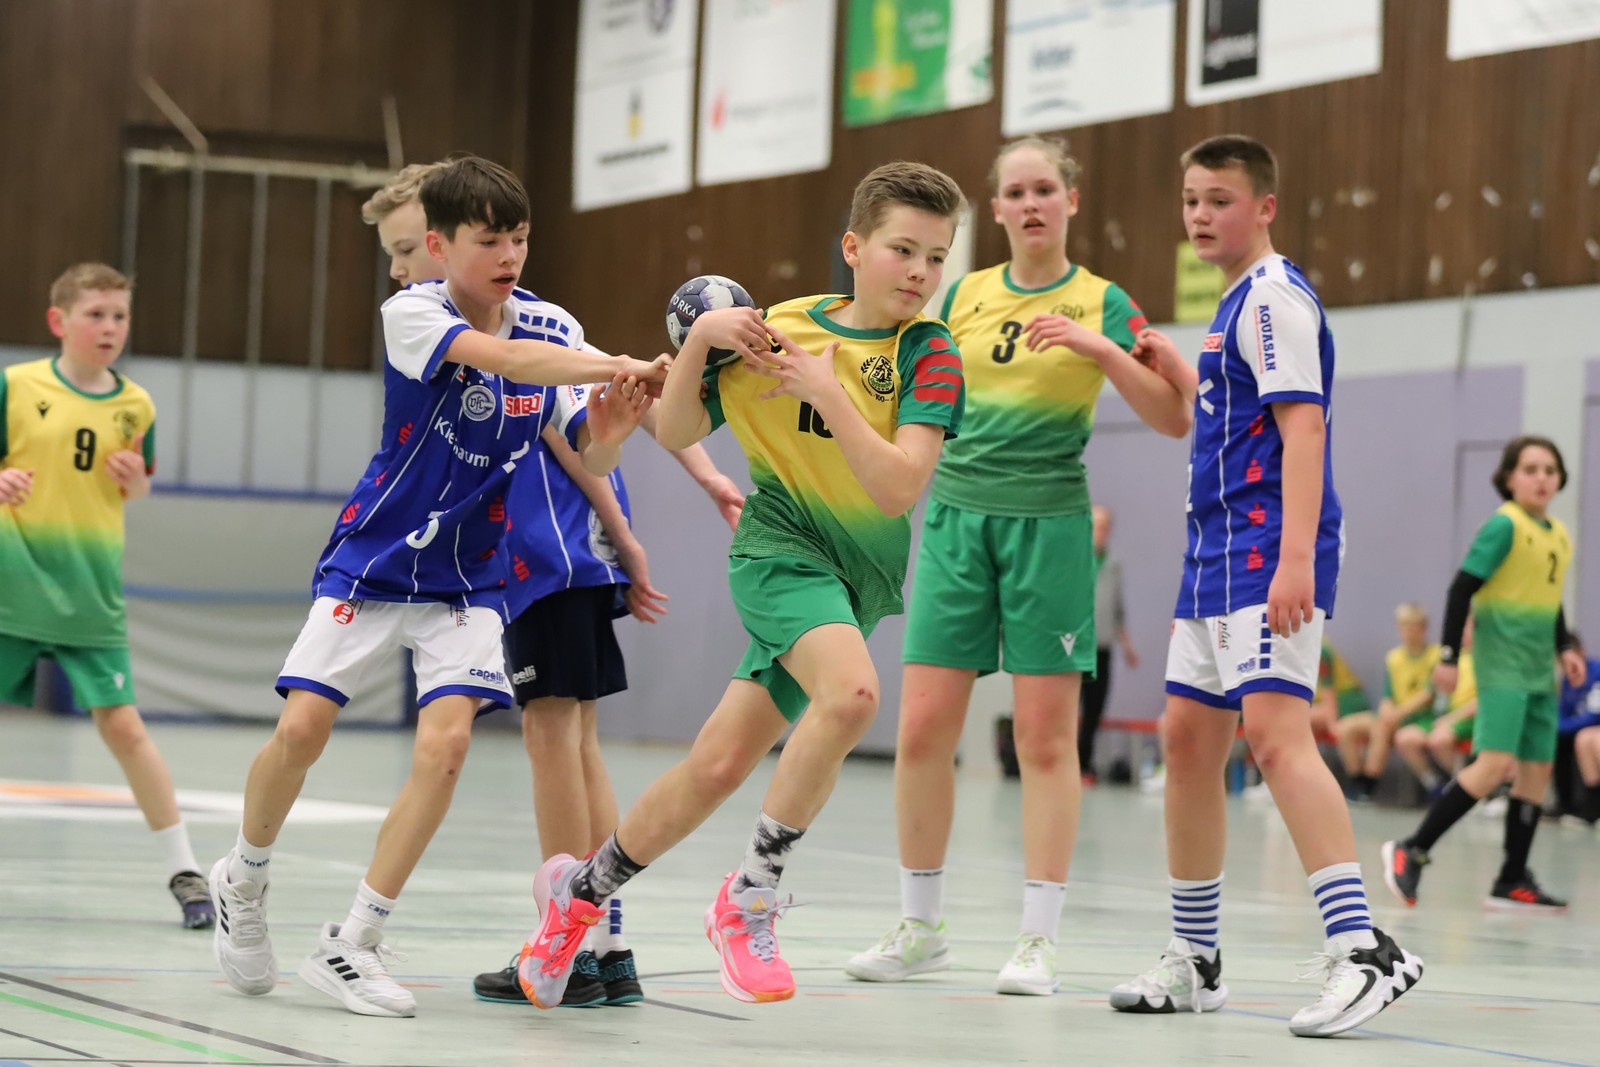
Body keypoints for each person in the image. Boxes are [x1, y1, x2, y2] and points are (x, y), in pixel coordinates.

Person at [205, 156, 665, 1018]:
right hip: (379, 557)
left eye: (519, 238)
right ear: (441, 246)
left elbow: (590, 451)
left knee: (446, 747)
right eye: (489, 240)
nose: (509, 255)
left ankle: (354, 939)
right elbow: (506, 357)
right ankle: (244, 875)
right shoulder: (415, 311)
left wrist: (616, 420)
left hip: (471, 578)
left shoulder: (554, 323)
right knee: (301, 730)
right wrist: (616, 361)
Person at [513, 160, 968, 1009]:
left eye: (937, 257)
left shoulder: (929, 352)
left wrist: (828, 391)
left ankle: (576, 897)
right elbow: (680, 426)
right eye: (903, 249)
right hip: (779, 554)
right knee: (854, 695)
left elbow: (899, 486)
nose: (920, 271)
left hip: (857, 581)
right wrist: (697, 345)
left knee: (717, 764)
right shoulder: (775, 330)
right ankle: (749, 898)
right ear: (854, 248)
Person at [350, 166, 744, 1008]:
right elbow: (614, 396)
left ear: (440, 239)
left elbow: (586, 429)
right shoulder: (457, 326)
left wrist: (634, 531)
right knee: (576, 740)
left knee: (553, 737)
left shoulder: (524, 328)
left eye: (404, 249)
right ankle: (606, 941)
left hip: (542, 550)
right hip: (554, 551)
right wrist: (692, 486)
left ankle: (571, 941)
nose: (398, 269)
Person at [845, 136, 1188, 997]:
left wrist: (1099, 348)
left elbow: (1173, 415)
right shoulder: (961, 293)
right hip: (956, 518)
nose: (1032, 203)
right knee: (923, 728)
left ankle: (1038, 939)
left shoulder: (1104, 300)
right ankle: (920, 926)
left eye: (1046, 189)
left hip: (1050, 524)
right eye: (1016, 192)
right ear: (995, 209)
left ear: (1072, 199)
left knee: (1044, 738)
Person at [1107, 135, 1421, 1038]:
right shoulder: (1233, 303)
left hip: (1263, 550)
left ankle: (1365, 950)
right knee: (1187, 741)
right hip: (1211, 555)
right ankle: (1196, 957)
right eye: (1191, 200)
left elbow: (1303, 429)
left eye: (1220, 199)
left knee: (1278, 740)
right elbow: (1229, 411)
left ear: (1265, 207)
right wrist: (1179, 370)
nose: (1201, 215)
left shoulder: (1275, 295)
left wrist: (1294, 560)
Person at [0, 263, 215, 930]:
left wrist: (133, 480)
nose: (110, 327)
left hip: (90, 593)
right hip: (12, 584)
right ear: (59, 321)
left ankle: (184, 869)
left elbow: (139, 487)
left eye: (119, 315)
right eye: (95, 314)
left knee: (124, 727)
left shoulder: (136, 405)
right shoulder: (15, 386)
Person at [1383, 435, 1586, 912]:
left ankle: (1512, 878)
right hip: (1503, 667)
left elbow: (1549, 599)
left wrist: (1564, 648)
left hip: (1539, 669)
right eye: (1530, 469)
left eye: (1550, 470)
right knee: (1494, 765)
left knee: (1536, 771)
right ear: (1509, 478)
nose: (1541, 478)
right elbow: (1461, 589)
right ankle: (1412, 848)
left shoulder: (1558, 533)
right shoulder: (1504, 525)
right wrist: (1449, 656)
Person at [1334, 603, 1439, 800]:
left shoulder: (1436, 656)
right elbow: (1387, 694)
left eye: (1413, 626)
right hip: (1394, 715)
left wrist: (1396, 715)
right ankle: (1357, 780)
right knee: (1345, 728)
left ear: (1423, 628)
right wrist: (1387, 711)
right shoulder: (1394, 657)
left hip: (1421, 717)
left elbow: (1429, 694)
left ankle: (1369, 785)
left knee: (1381, 728)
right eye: (1403, 626)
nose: (1407, 632)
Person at [1080, 505, 1141, 786]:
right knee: (1068, 707)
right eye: (1095, 525)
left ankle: (1084, 764)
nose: (1099, 531)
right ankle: (1064, 763)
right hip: (1073, 647)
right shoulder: (1074, 560)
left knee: (1094, 709)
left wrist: (1127, 647)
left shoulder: (1114, 565)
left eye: (1104, 526)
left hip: (1102, 649)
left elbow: (1118, 611)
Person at [1310, 639, 1371, 798]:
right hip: (1326, 703)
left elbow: (1329, 692)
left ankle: (1294, 779)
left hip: (1345, 702)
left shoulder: (1320, 649)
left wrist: (1332, 724)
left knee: (1298, 719)